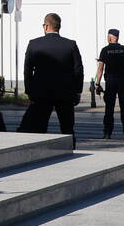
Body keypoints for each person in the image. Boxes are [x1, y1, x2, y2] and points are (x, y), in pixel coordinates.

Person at [18, 13, 84, 146]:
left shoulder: (34, 44)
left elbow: (27, 70)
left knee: (39, 127)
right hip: (65, 93)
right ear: (59, 26)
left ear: (46, 26)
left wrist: (29, 91)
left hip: (41, 93)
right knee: (67, 128)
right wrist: (77, 91)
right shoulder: (70, 45)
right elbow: (78, 70)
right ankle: (71, 151)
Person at [95, 28, 124, 141]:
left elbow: (100, 69)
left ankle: (107, 133)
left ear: (109, 37)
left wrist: (97, 84)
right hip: (123, 81)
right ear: (117, 37)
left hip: (111, 82)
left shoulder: (105, 50)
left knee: (109, 109)